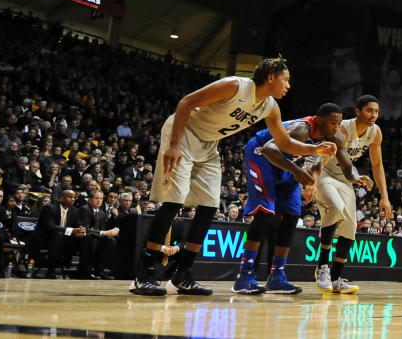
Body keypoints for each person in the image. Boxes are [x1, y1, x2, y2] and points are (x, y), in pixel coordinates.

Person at [129, 57, 336, 296]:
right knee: (174, 201)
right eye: (286, 80)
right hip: (183, 134)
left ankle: (182, 274)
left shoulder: (270, 106)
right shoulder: (234, 86)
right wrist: (174, 144)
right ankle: (145, 273)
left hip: (208, 145)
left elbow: (284, 143)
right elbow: (186, 103)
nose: (288, 85)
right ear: (271, 77)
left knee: (208, 207)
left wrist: (314, 150)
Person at [233, 104, 344, 295]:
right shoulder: (302, 129)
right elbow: (269, 149)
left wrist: (312, 182)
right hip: (260, 153)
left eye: (339, 123)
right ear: (319, 120)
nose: (336, 127)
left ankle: (276, 276)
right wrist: (296, 170)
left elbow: (317, 161)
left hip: (284, 163)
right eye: (333, 122)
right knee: (265, 213)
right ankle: (244, 277)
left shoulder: (329, 137)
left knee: (292, 214)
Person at [313, 95, 386, 294]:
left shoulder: (375, 132)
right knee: (336, 209)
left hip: (345, 177)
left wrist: (384, 197)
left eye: (377, 111)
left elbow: (377, 165)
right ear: (358, 111)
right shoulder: (343, 129)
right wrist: (312, 181)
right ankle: (322, 268)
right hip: (323, 170)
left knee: (350, 227)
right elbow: (323, 159)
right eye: (369, 110)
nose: (374, 115)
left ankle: (336, 278)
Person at [78, 190, 119, 279]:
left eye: (101, 198)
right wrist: (105, 233)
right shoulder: (84, 209)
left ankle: (99, 271)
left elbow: (103, 230)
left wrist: (111, 233)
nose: (99, 200)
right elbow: (85, 229)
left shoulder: (101, 213)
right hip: (81, 238)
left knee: (111, 241)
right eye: (96, 198)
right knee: (92, 238)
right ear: (89, 200)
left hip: (95, 238)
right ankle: (86, 270)